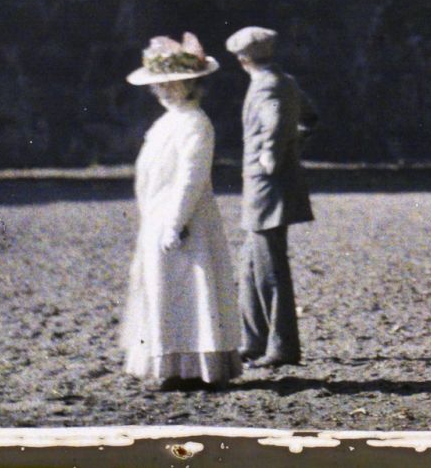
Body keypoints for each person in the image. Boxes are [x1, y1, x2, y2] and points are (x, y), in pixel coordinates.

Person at [120, 32, 243, 391]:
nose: (165, 91)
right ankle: (171, 363)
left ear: (190, 84)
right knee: (162, 289)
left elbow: (191, 177)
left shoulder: (195, 123)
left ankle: (195, 366)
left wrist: (176, 222)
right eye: (161, 85)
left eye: (173, 84)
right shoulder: (166, 123)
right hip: (157, 216)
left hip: (185, 219)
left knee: (187, 288)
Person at [226, 25, 318, 367]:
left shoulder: (266, 86)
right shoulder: (285, 81)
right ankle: (254, 340)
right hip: (270, 186)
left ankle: (281, 348)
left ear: (243, 58)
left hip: (266, 188)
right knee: (251, 265)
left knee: (268, 271)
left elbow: (276, 123)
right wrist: (292, 149)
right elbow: (310, 119)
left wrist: (272, 156)